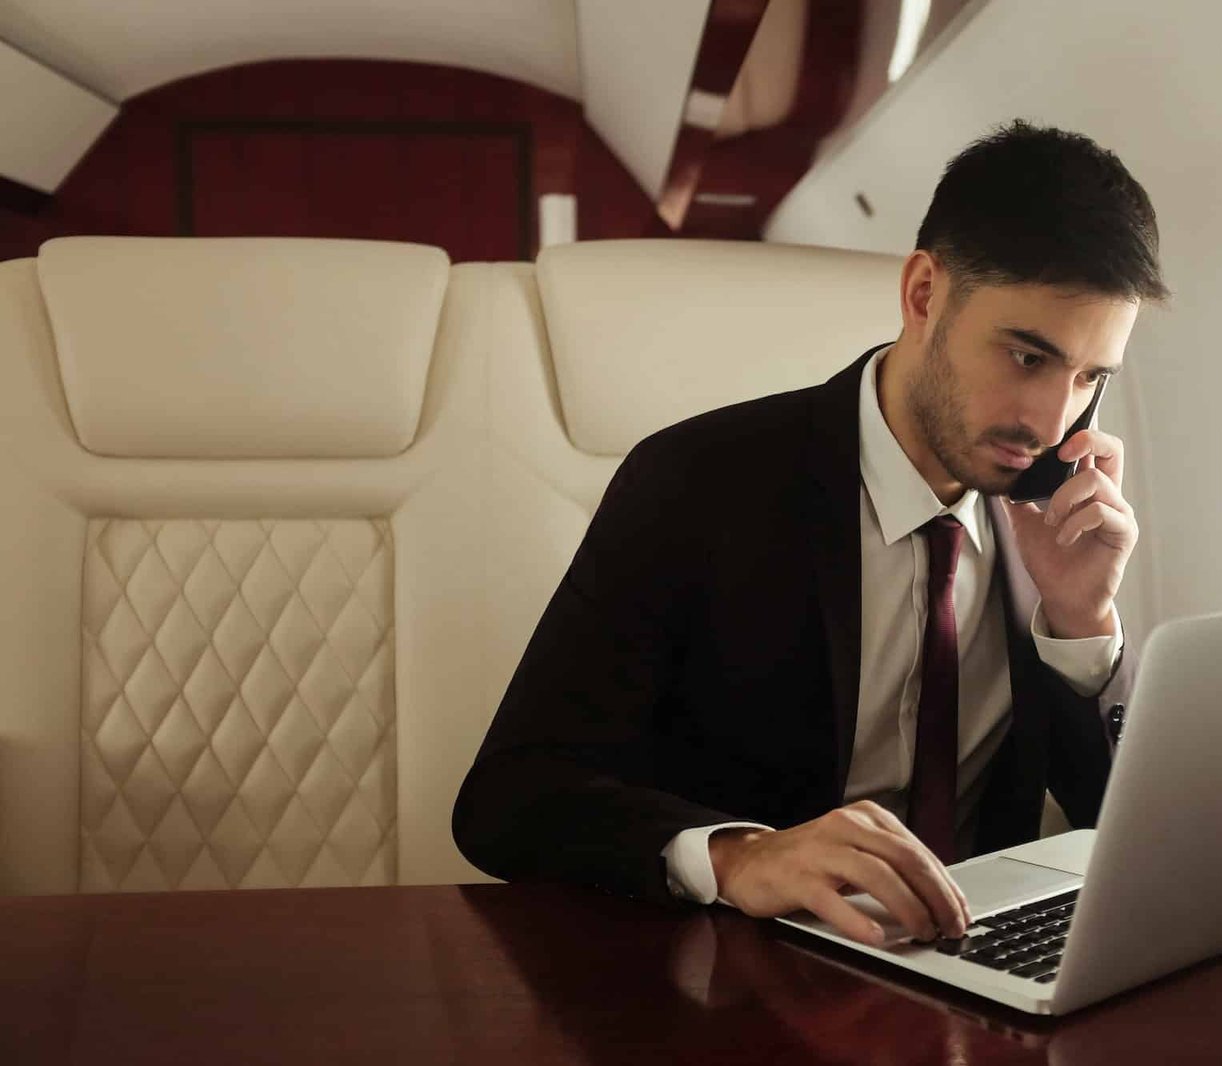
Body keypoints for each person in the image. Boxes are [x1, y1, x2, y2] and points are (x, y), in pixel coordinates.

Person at [452, 119, 1169, 949]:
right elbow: (509, 798)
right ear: (924, 295)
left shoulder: (1053, 523)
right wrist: (740, 856)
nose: (1051, 420)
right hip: (748, 974)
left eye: (1091, 378)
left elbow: (1121, 832)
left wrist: (1082, 627)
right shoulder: (698, 480)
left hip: (971, 973)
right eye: (1026, 358)